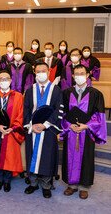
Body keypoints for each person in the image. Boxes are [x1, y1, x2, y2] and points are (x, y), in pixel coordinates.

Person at [61, 64, 107, 199]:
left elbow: (99, 116)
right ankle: (72, 185)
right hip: (71, 132)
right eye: (77, 74)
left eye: (82, 73)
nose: (79, 76)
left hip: (87, 132)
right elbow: (62, 113)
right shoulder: (66, 93)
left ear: (87, 75)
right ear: (73, 76)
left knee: (86, 157)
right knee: (70, 156)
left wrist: (86, 126)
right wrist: (69, 125)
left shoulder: (96, 94)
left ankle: (84, 186)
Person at [23, 61, 63, 199]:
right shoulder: (30, 90)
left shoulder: (56, 90)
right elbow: (26, 109)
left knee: (47, 156)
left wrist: (45, 124)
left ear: (48, 71)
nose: (40, 73)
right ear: (35, 73)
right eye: (38, 71)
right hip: (33, 129)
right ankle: (33, 183)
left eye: (43, 71)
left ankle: (46, 185)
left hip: (48, 129)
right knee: (32, 155)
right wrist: (31, 125)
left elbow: (59, 110)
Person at [0, 70, 24, 192]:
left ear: (11, 81)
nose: (4, 81)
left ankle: (7, 181)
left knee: (9, 156)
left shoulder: (18, 96)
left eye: (6, 79)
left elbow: (20, 115)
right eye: (1, 79)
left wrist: (13, 128)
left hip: (12, 132)